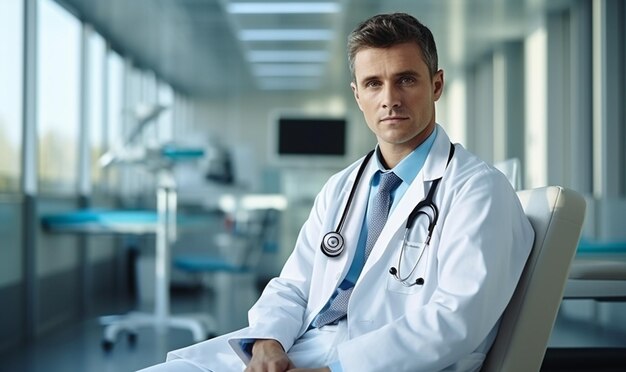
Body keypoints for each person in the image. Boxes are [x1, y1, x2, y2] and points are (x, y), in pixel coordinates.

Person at [140, 12, 534, 372]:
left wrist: (336, 371)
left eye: (406, 79)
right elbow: (293, 284)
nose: (389, 99)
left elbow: (455, 319)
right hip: (304, 348)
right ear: (357, 95)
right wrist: (267, 341)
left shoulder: (478, 190)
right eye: (373, 84)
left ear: (437, 85)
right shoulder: (342, 187)